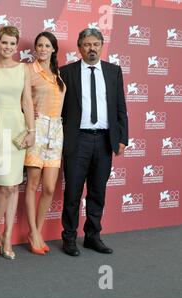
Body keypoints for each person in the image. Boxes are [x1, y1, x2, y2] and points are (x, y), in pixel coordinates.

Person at [60, 28, 128, 257]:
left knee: (98, 192)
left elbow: (121, 107)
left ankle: (92, 237)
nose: (92, 48)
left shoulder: (113, 71)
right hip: (77, 140)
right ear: (79, 47)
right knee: (72, 192)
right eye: (87, 44)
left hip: (104, 140)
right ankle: (69, 238)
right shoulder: (66, 73)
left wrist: (122, 138)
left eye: (96, 44)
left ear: (101, 46)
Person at [0, 26, 35, 260]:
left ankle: (7, 236)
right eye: (4, 42)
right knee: (4, 185)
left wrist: (31, 130)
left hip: (17, 126)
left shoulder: (23, 69)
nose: (8, 47)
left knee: (14, 185)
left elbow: (27, 101)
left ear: (17, 46)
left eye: (12, 43)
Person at [24, 32, 66, 255]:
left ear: (53, 49)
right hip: (38, 129)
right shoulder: (28, 70)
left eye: (46, 45)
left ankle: (37, 230)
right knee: (32, 183)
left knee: (49, 187)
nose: (42, 48)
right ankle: (34, 232)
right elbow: (20, 98)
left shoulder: (59, 73)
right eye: (39, 45)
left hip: (56, 131)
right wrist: (28, 117)